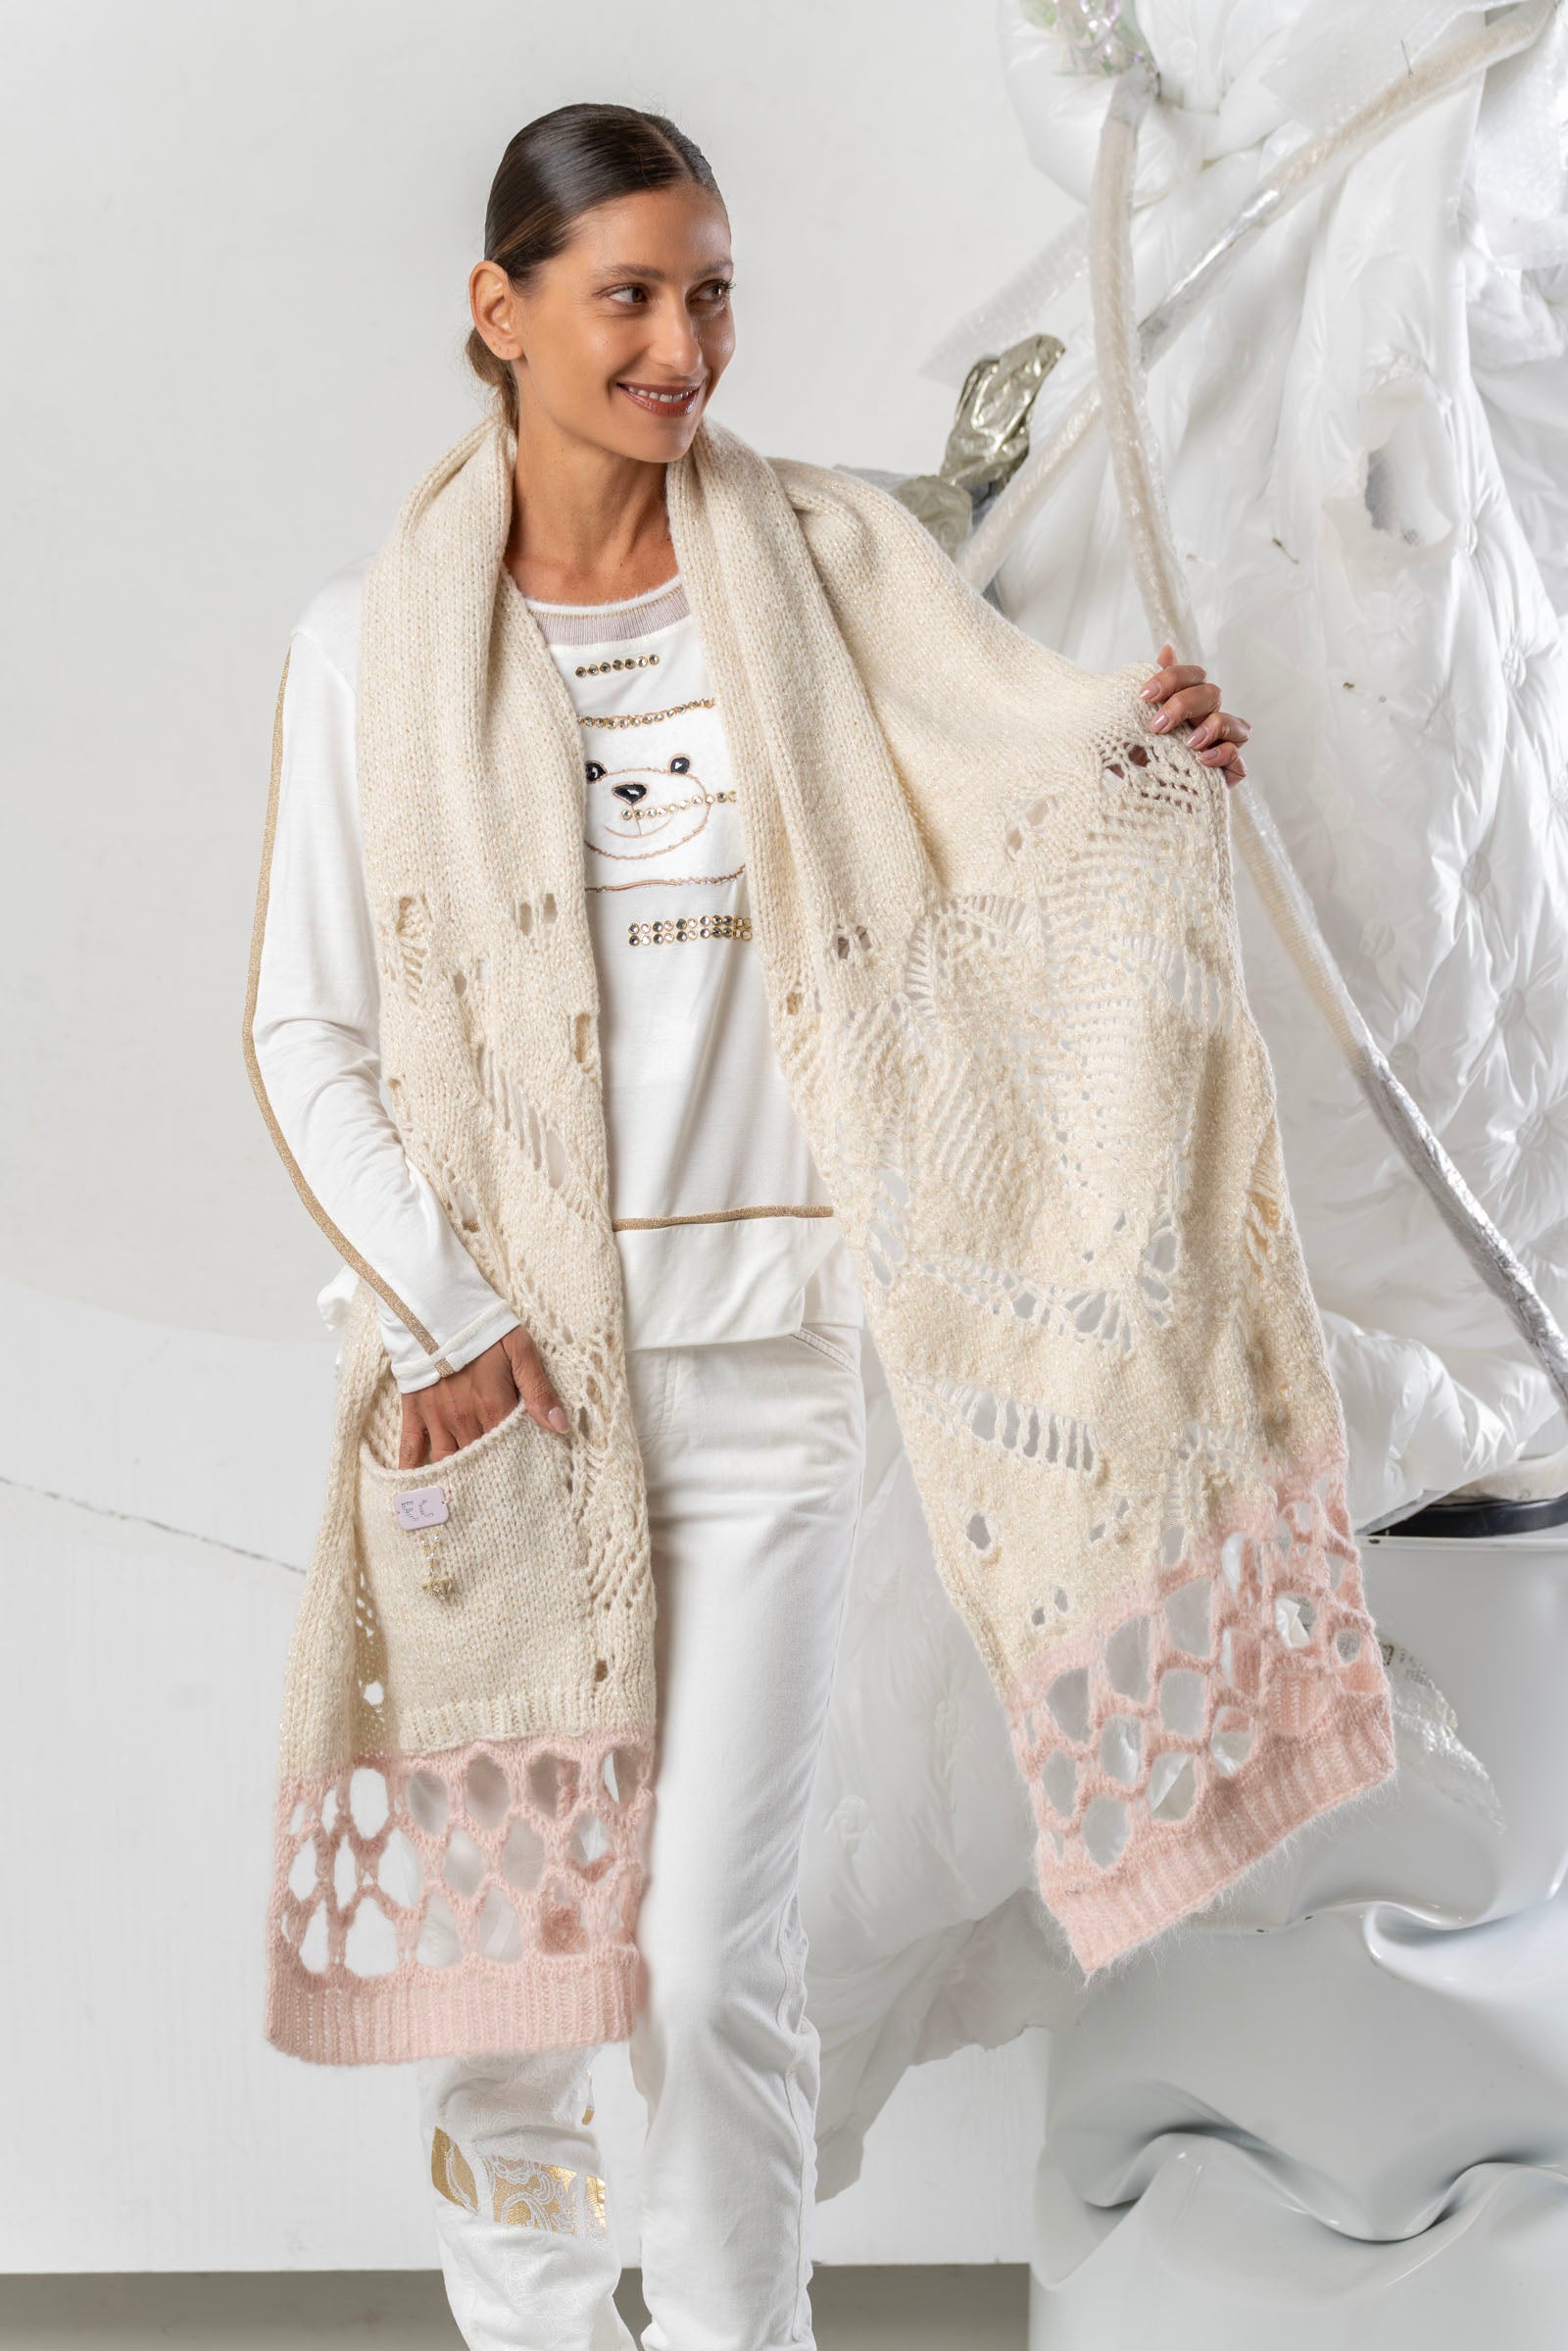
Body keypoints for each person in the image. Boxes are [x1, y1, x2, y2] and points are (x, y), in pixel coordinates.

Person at [249, 100, 1252, 2351]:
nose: (680, 346)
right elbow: (307, 1031)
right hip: (504, 1406)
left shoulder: (817, 574)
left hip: (766, 1385)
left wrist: (1131, 758)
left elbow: (989, 792)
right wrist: (448, 1323)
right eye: (626, 294)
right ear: (498, 309)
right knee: (513, 2004)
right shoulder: (363, 650)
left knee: (712, 1972)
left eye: (710, 294)